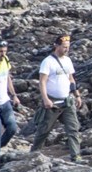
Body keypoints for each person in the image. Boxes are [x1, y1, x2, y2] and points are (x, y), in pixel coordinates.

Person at [31, 34, 83, 162]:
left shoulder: (68, 61)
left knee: (73, 129)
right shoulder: (47, 62)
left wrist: (77, 95)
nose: (67, 49)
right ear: (56, 46)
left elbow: (71, 79)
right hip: (52, 103)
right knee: (44, 131)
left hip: (67, 101)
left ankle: (75, 156)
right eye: (64, 47)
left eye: (68, 47)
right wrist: (45, 99)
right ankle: (33, 153)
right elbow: (42, 82)